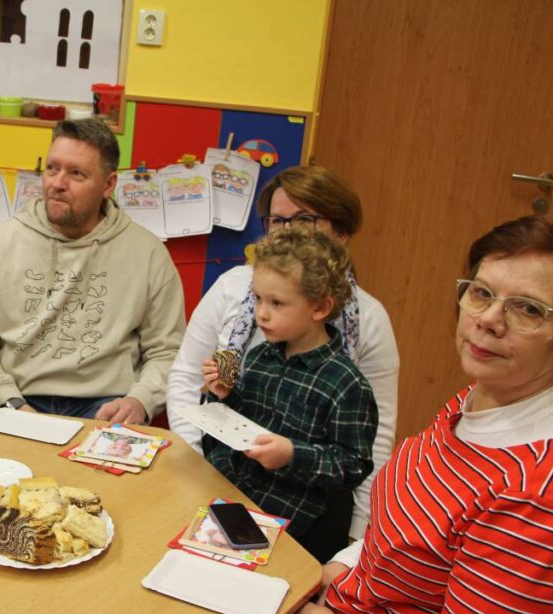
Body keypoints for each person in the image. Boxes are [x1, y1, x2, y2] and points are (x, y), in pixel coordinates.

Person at [246, 216, 553, 614]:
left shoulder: (541, 495)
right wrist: (342, 565)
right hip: (354, 611)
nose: (488, 319)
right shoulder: (479, 403)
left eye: (529, 309)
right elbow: (413, 528)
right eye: (481, 292)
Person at [167, 166, 399, 542]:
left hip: (304, 512)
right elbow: (190, 385)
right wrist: (219, 398)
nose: (289, 232)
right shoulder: (238, 299)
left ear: (340, 231)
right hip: (227, 485)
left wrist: (356, 539)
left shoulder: (359, 340)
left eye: (305, 219)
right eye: (278, 220)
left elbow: (369, 446)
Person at [0, 118, 185, 422]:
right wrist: (8, 403)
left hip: (106, 406)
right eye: (51, 168)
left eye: (76, 173)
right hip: (15, 397)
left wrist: (139, 401)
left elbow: (168, 351)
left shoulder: (149, 253)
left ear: (109, 185)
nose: (57, 183)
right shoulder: (0, 243)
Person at [202, 227, 377, 562]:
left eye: (277, 303)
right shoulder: (258, 357)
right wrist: (221, 398)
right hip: (235, 501)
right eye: (257, 299)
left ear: (320, 308)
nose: (261, 313)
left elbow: (353, 465)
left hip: (298, 526)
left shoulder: (346, 383)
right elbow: (234, 431)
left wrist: (293, 455)